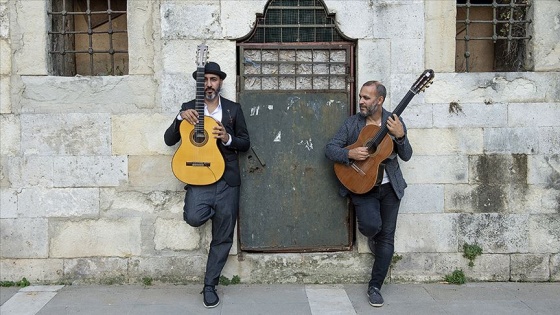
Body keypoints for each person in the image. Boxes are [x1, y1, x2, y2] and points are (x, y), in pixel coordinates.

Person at [164, 62, 250, 308]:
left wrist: (227, 137)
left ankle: (209, 285)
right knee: (193, 216)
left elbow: (245, 142)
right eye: (205, 80)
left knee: (223, 237)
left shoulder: (233, 110)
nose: (209, 84)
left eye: (213, 79)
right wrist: (179, 117)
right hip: (199, 180)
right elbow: (169, 140)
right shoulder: (189, 109)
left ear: (220, 82)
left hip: (227, 182)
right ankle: (207, 207)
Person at [325, 80, 413, 307]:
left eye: (366, 98)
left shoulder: (394, 121)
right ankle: (373, 237)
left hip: (389, 187)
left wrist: (401, 137)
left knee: (387, 237)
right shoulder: (353, 123)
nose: (361, 101)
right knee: (372, 227)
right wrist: (351, 153)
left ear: (380, 100)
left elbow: (407, 155)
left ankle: (375, 287)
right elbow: (330, 149)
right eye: (361, 97)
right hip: (362, 187)